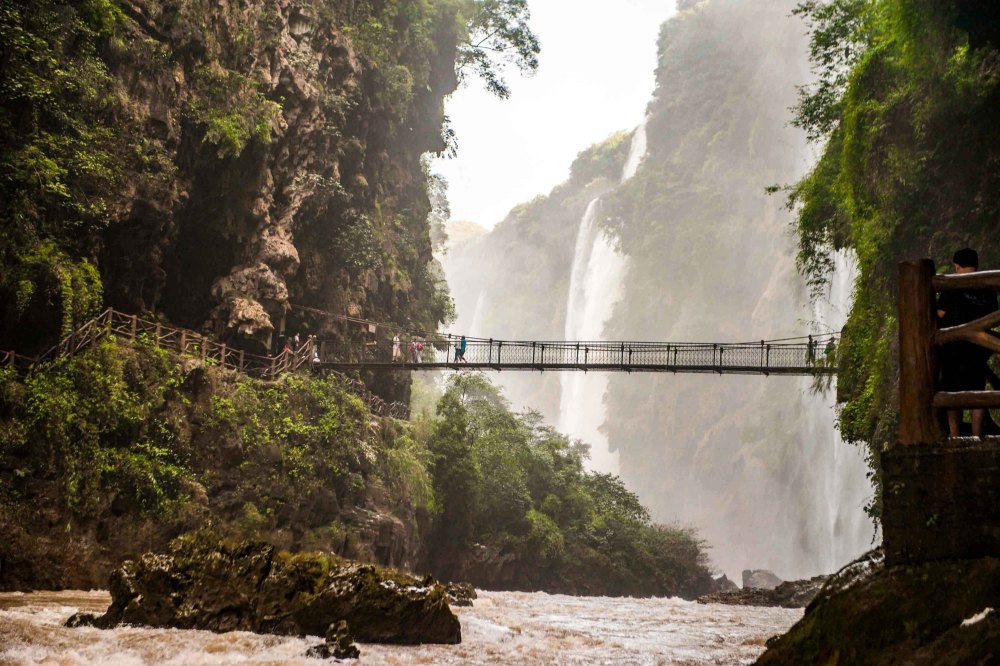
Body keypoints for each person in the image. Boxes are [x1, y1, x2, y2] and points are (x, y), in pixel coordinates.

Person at [937, 247, 998, 437]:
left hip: (953, 349)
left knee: (952, 392)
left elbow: (940, 314)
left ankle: (955, 437)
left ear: (956, 266)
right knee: (977, 391)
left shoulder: (951, 286)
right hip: (979, 349)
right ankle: (976, 436)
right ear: (977, 266)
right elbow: (993, 316)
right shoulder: (986, 288)